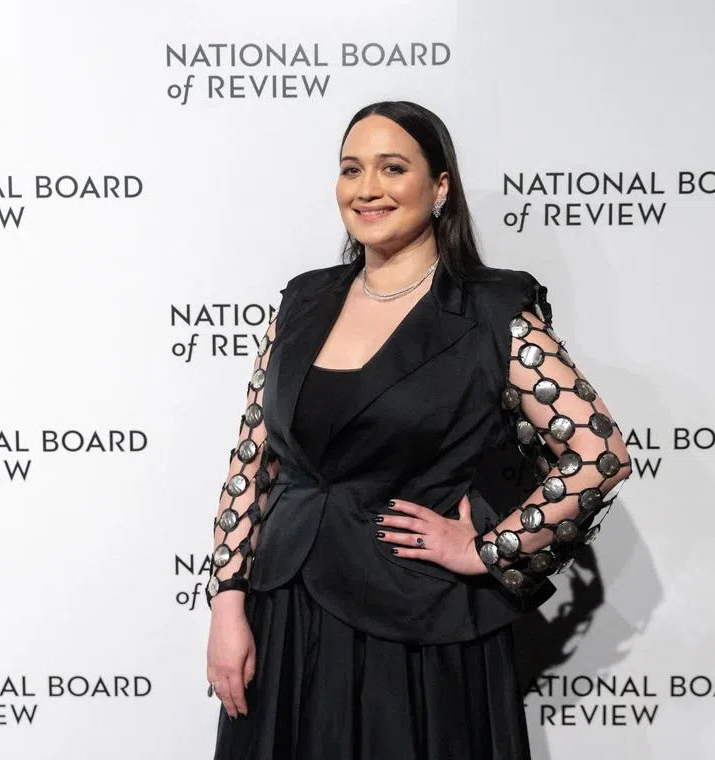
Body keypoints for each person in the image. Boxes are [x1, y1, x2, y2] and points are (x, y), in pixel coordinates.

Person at [204, 100, 632, 760]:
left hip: (413, 627)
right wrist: (229, 601)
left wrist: (490, 546)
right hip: (283, 615)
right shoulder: (303, 299)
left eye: (391, 168)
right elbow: (253, 460)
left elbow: (597, 453)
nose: (367, 188)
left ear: (439, 187)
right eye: (351, 170)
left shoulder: (490, 310)